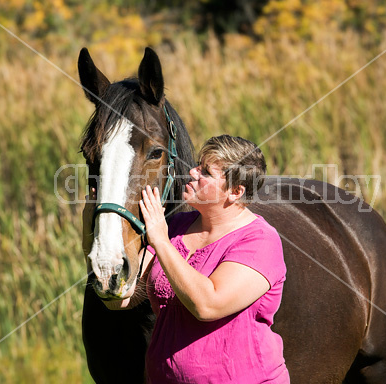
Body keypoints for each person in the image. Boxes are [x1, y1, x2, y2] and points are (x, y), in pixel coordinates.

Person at [95, 135, 289, 383]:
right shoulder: (175, 226)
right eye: (198, 164)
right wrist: (96, 228)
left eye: (206, 171)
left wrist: (161, 241)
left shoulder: (259, 241)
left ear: (235, 191)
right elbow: (121, 297)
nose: (192, 172)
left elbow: (207, 305)